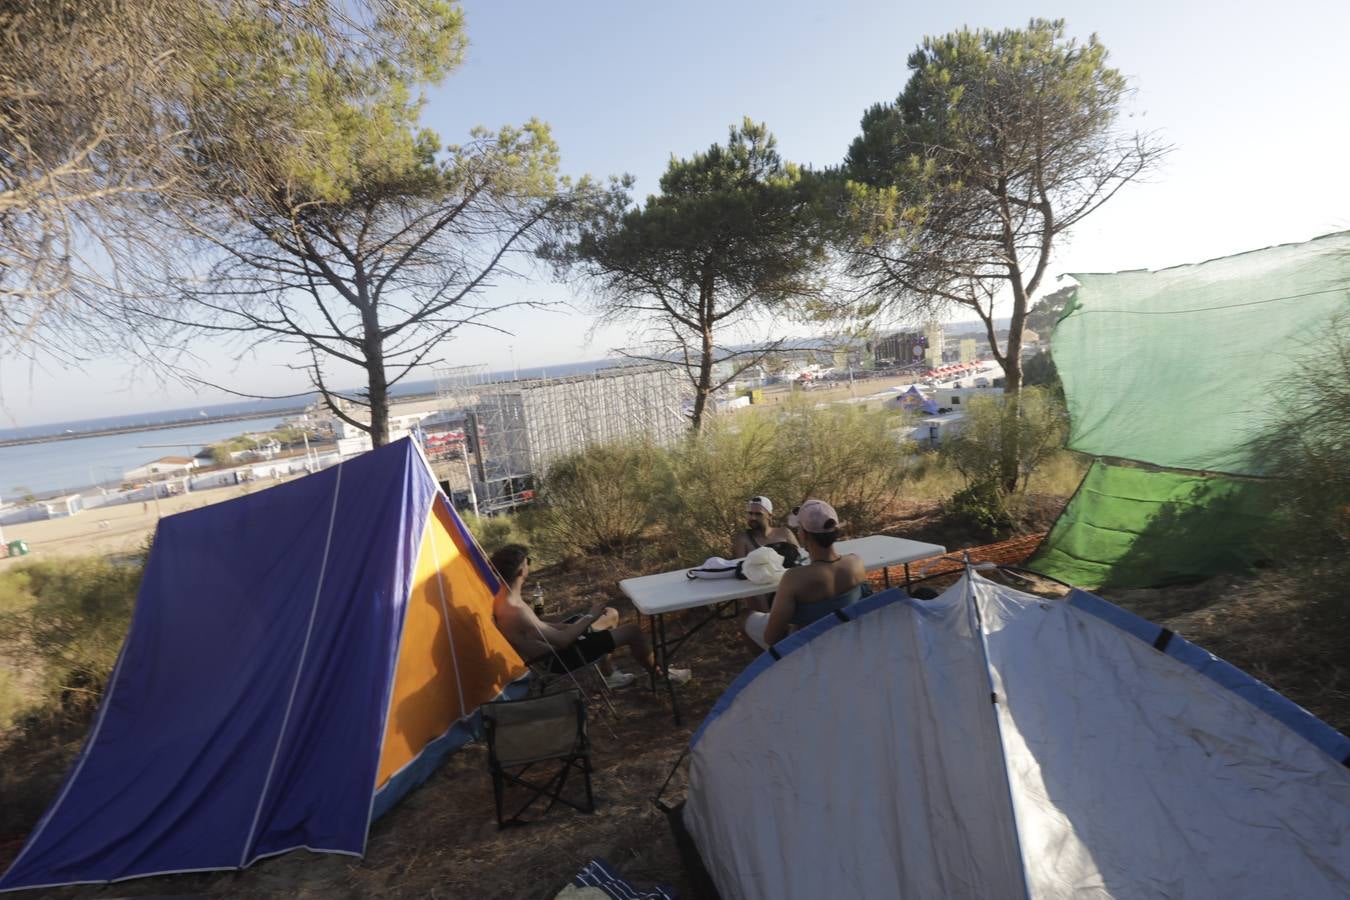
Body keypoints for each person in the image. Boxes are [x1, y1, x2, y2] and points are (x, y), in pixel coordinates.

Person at [489, 544, 691, 688]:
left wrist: (577, 623)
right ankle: (660, 677)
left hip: (553, 646)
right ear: (520, 572)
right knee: (633, 631)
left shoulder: (505, 598)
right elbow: (564, 641)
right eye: (528, 562)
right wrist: (589, 617)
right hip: (561, 658)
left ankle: (609, 675)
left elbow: (537, 628)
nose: (529, 566)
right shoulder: (515, 609)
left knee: (611, 614)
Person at [742, 499, 866, 651]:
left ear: (803, 535)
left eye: (799, 529)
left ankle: (768, 669)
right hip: (844, 637)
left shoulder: (794, 578)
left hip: (807, 648)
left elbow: (771, 637)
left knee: (744, 617)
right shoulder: (856, 562)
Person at [732, 496, 797, 559]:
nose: (753, 517)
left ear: (769, 516)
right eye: (750, 513)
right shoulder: (743, 539)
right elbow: (739, 567)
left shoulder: (785, 533)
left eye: (758, 514)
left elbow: (802, 559)